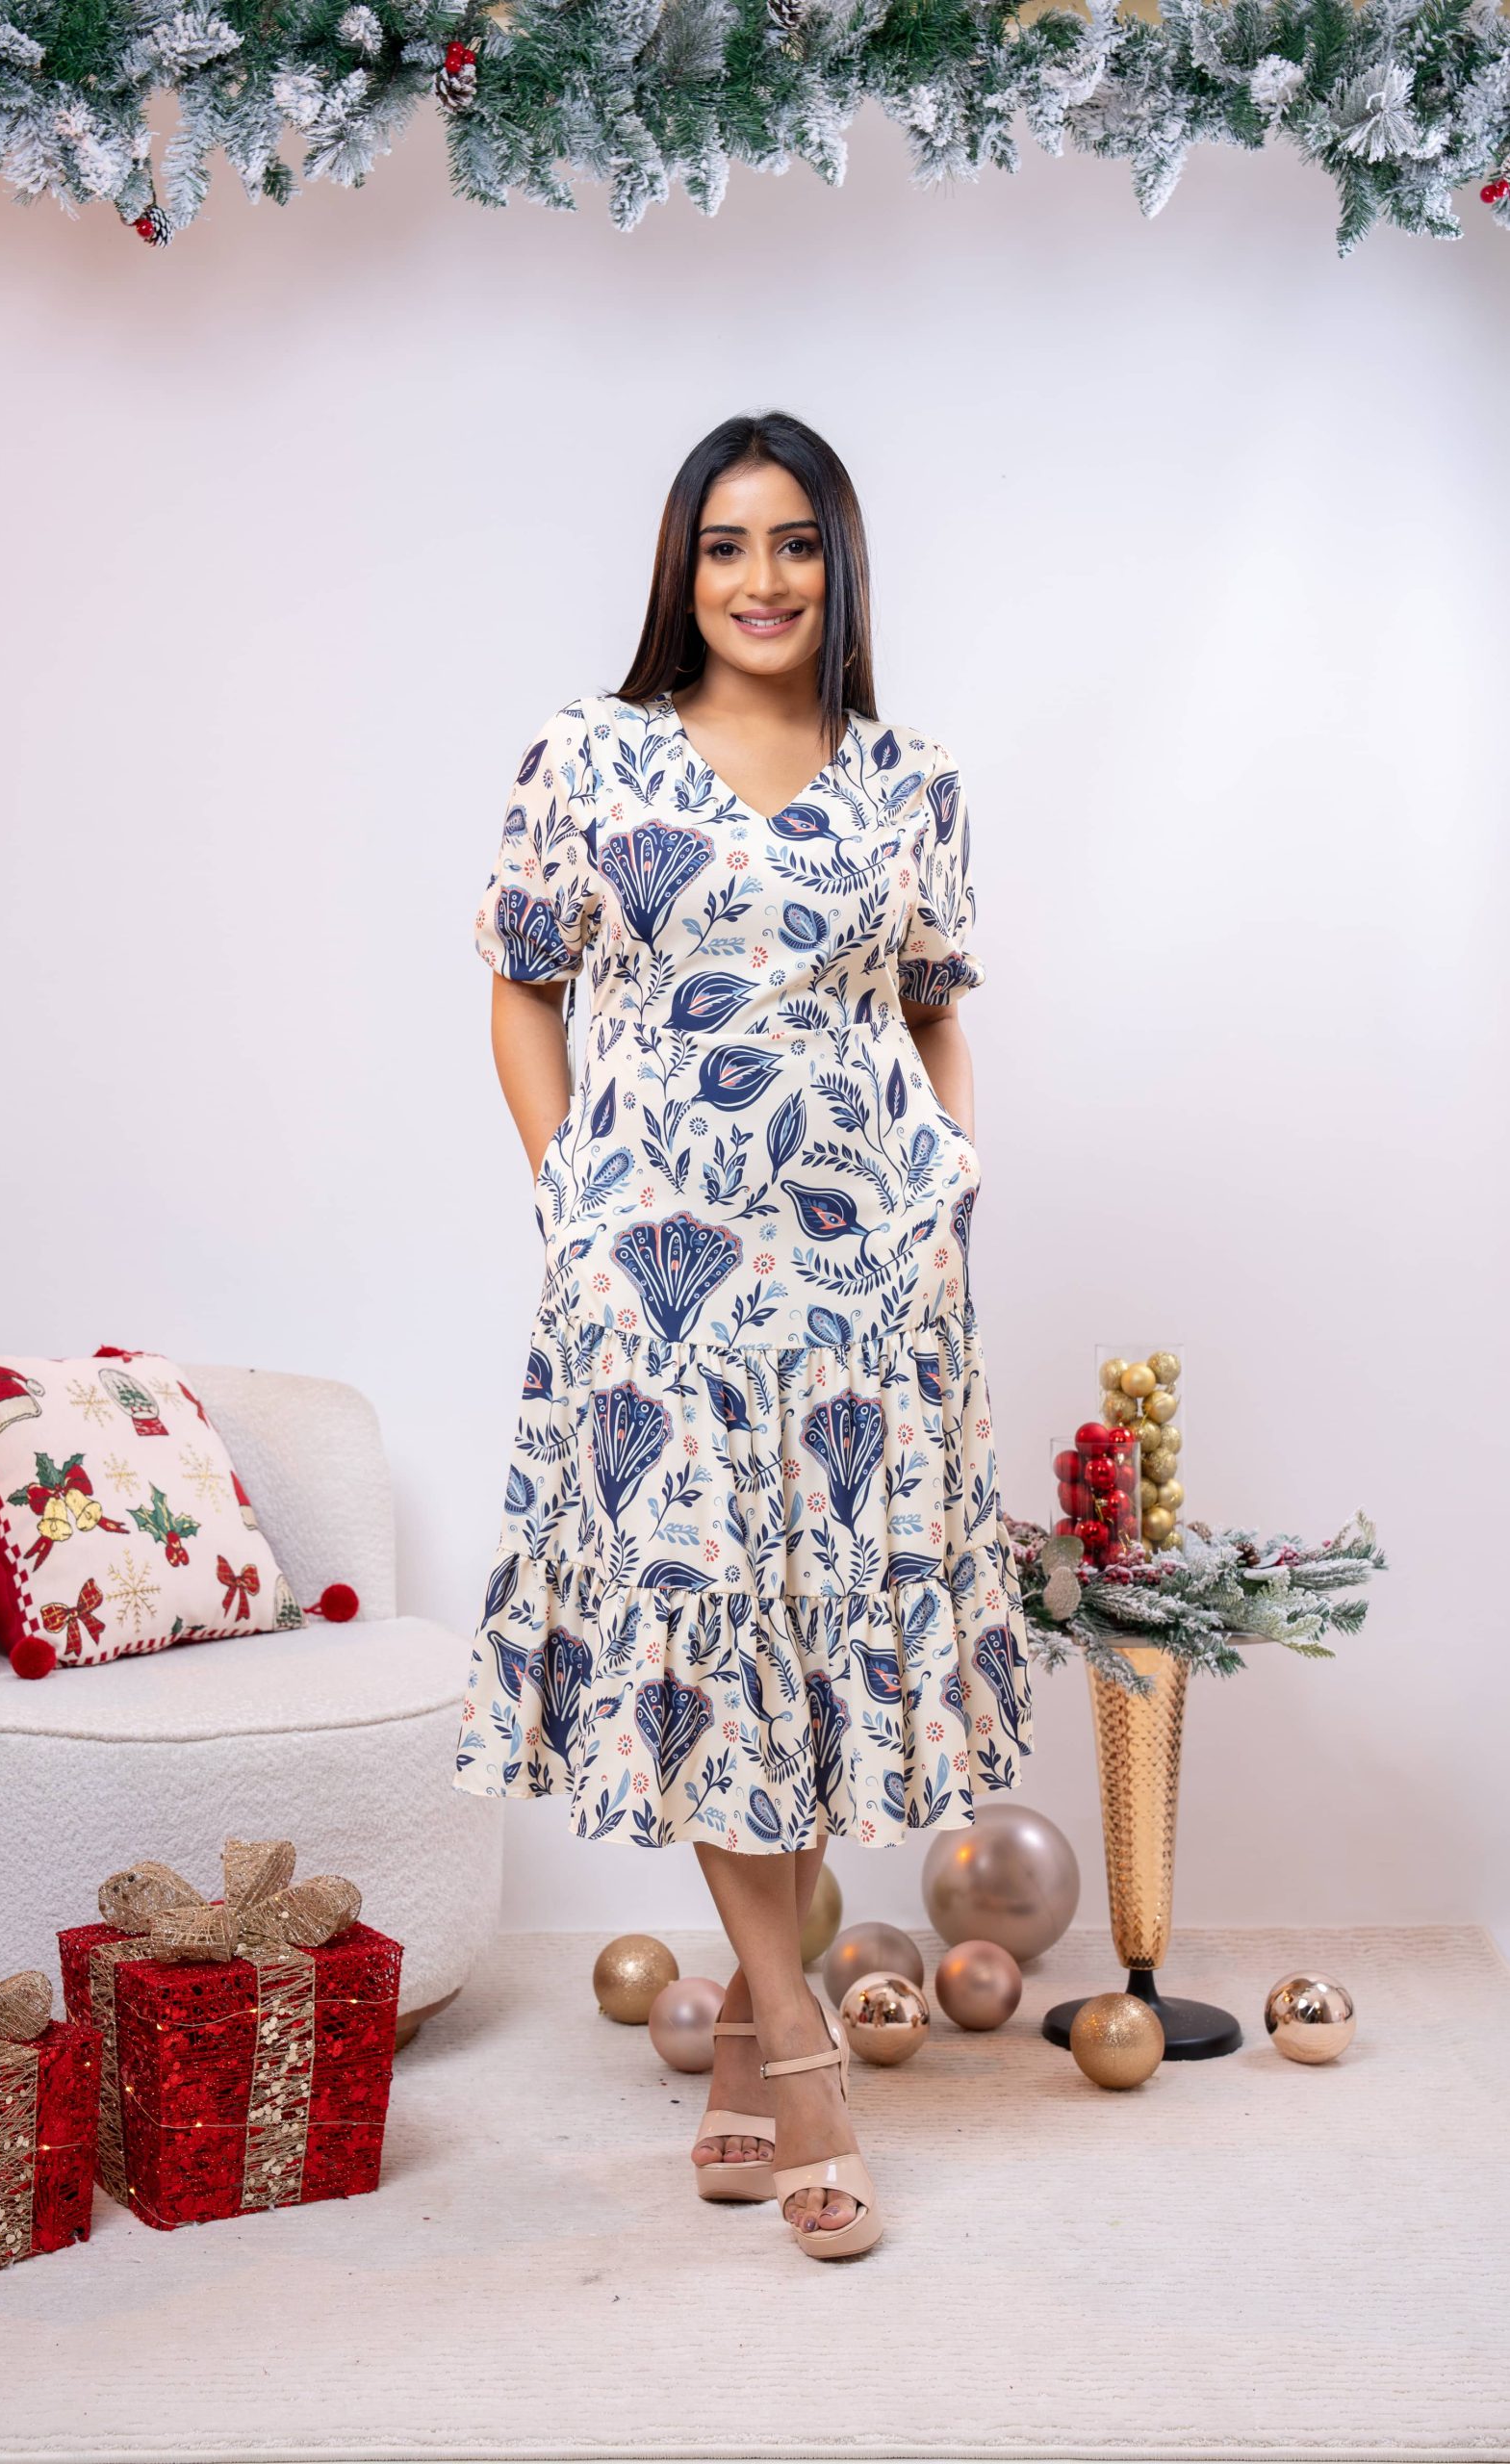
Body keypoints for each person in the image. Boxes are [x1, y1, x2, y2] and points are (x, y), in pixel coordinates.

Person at [454, 409, 1034, 2262]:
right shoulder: (590, 756)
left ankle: (734, 2051)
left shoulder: (912, 779)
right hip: (656, 1280)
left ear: (837, 564)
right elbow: (522, 990)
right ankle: (797, 2048)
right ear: (680, 568)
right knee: (707, 1631)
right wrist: (573, 1199)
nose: (761, 580)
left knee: (808, 1637)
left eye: (793, 543)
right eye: (725, 545)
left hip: (867, 1281)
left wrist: (949, 1184)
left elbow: (935, 1009)